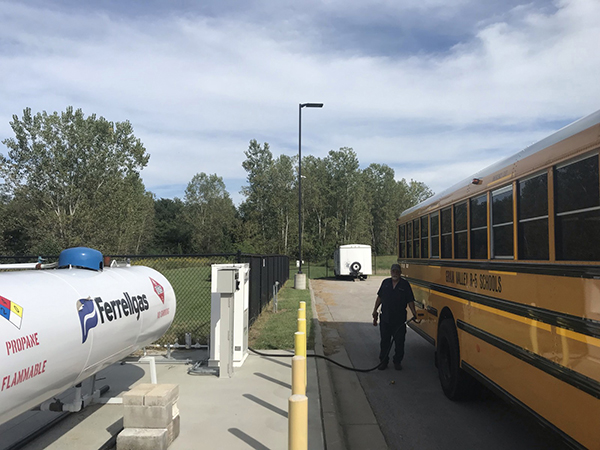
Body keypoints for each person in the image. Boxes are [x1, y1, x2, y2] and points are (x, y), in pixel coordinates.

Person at [372, 264, 418, 370]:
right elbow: (380, 297)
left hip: (399, 320)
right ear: (390, 272)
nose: (395, 273)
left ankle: (397, 361)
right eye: (393, 271)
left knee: (399, 342)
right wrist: (375, 310)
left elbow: (410, 300)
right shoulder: (385, 283)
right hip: (385, 318)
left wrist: (414, 312)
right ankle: (383, 361)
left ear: (400, 273)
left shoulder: (405, 285)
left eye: (397, 271)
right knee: (384, 341)